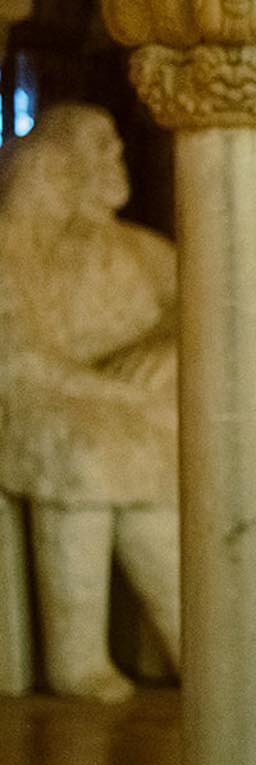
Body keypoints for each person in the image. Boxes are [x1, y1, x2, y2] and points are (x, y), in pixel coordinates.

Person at [0, 104, 180, 703]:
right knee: (85, 449)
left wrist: (166, 345)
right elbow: (19, 355)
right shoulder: (15, 246)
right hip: (40, 401)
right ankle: (76, 654)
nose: (115, 160)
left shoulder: (146, 252)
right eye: (98, 149)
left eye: (115, 147)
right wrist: (107, 389)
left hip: (126, 408)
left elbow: (205, 306)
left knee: (147, 446)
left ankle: (192, 638)